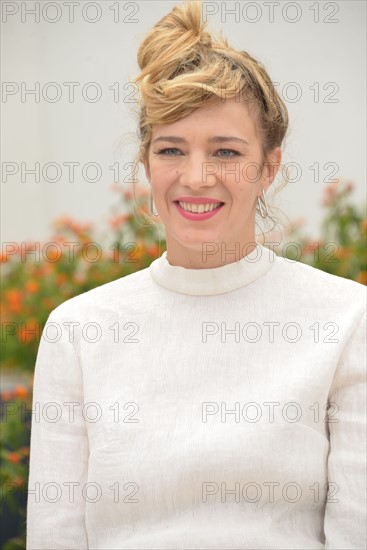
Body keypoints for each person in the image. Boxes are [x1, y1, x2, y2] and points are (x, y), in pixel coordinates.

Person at [26, 1, 366, 548]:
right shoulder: (78, 329)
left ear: (268, 168)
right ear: (146, 163)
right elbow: (55, 534)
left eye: (226, 151)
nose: (197, 176)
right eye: (172, 150)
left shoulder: (347, 318)